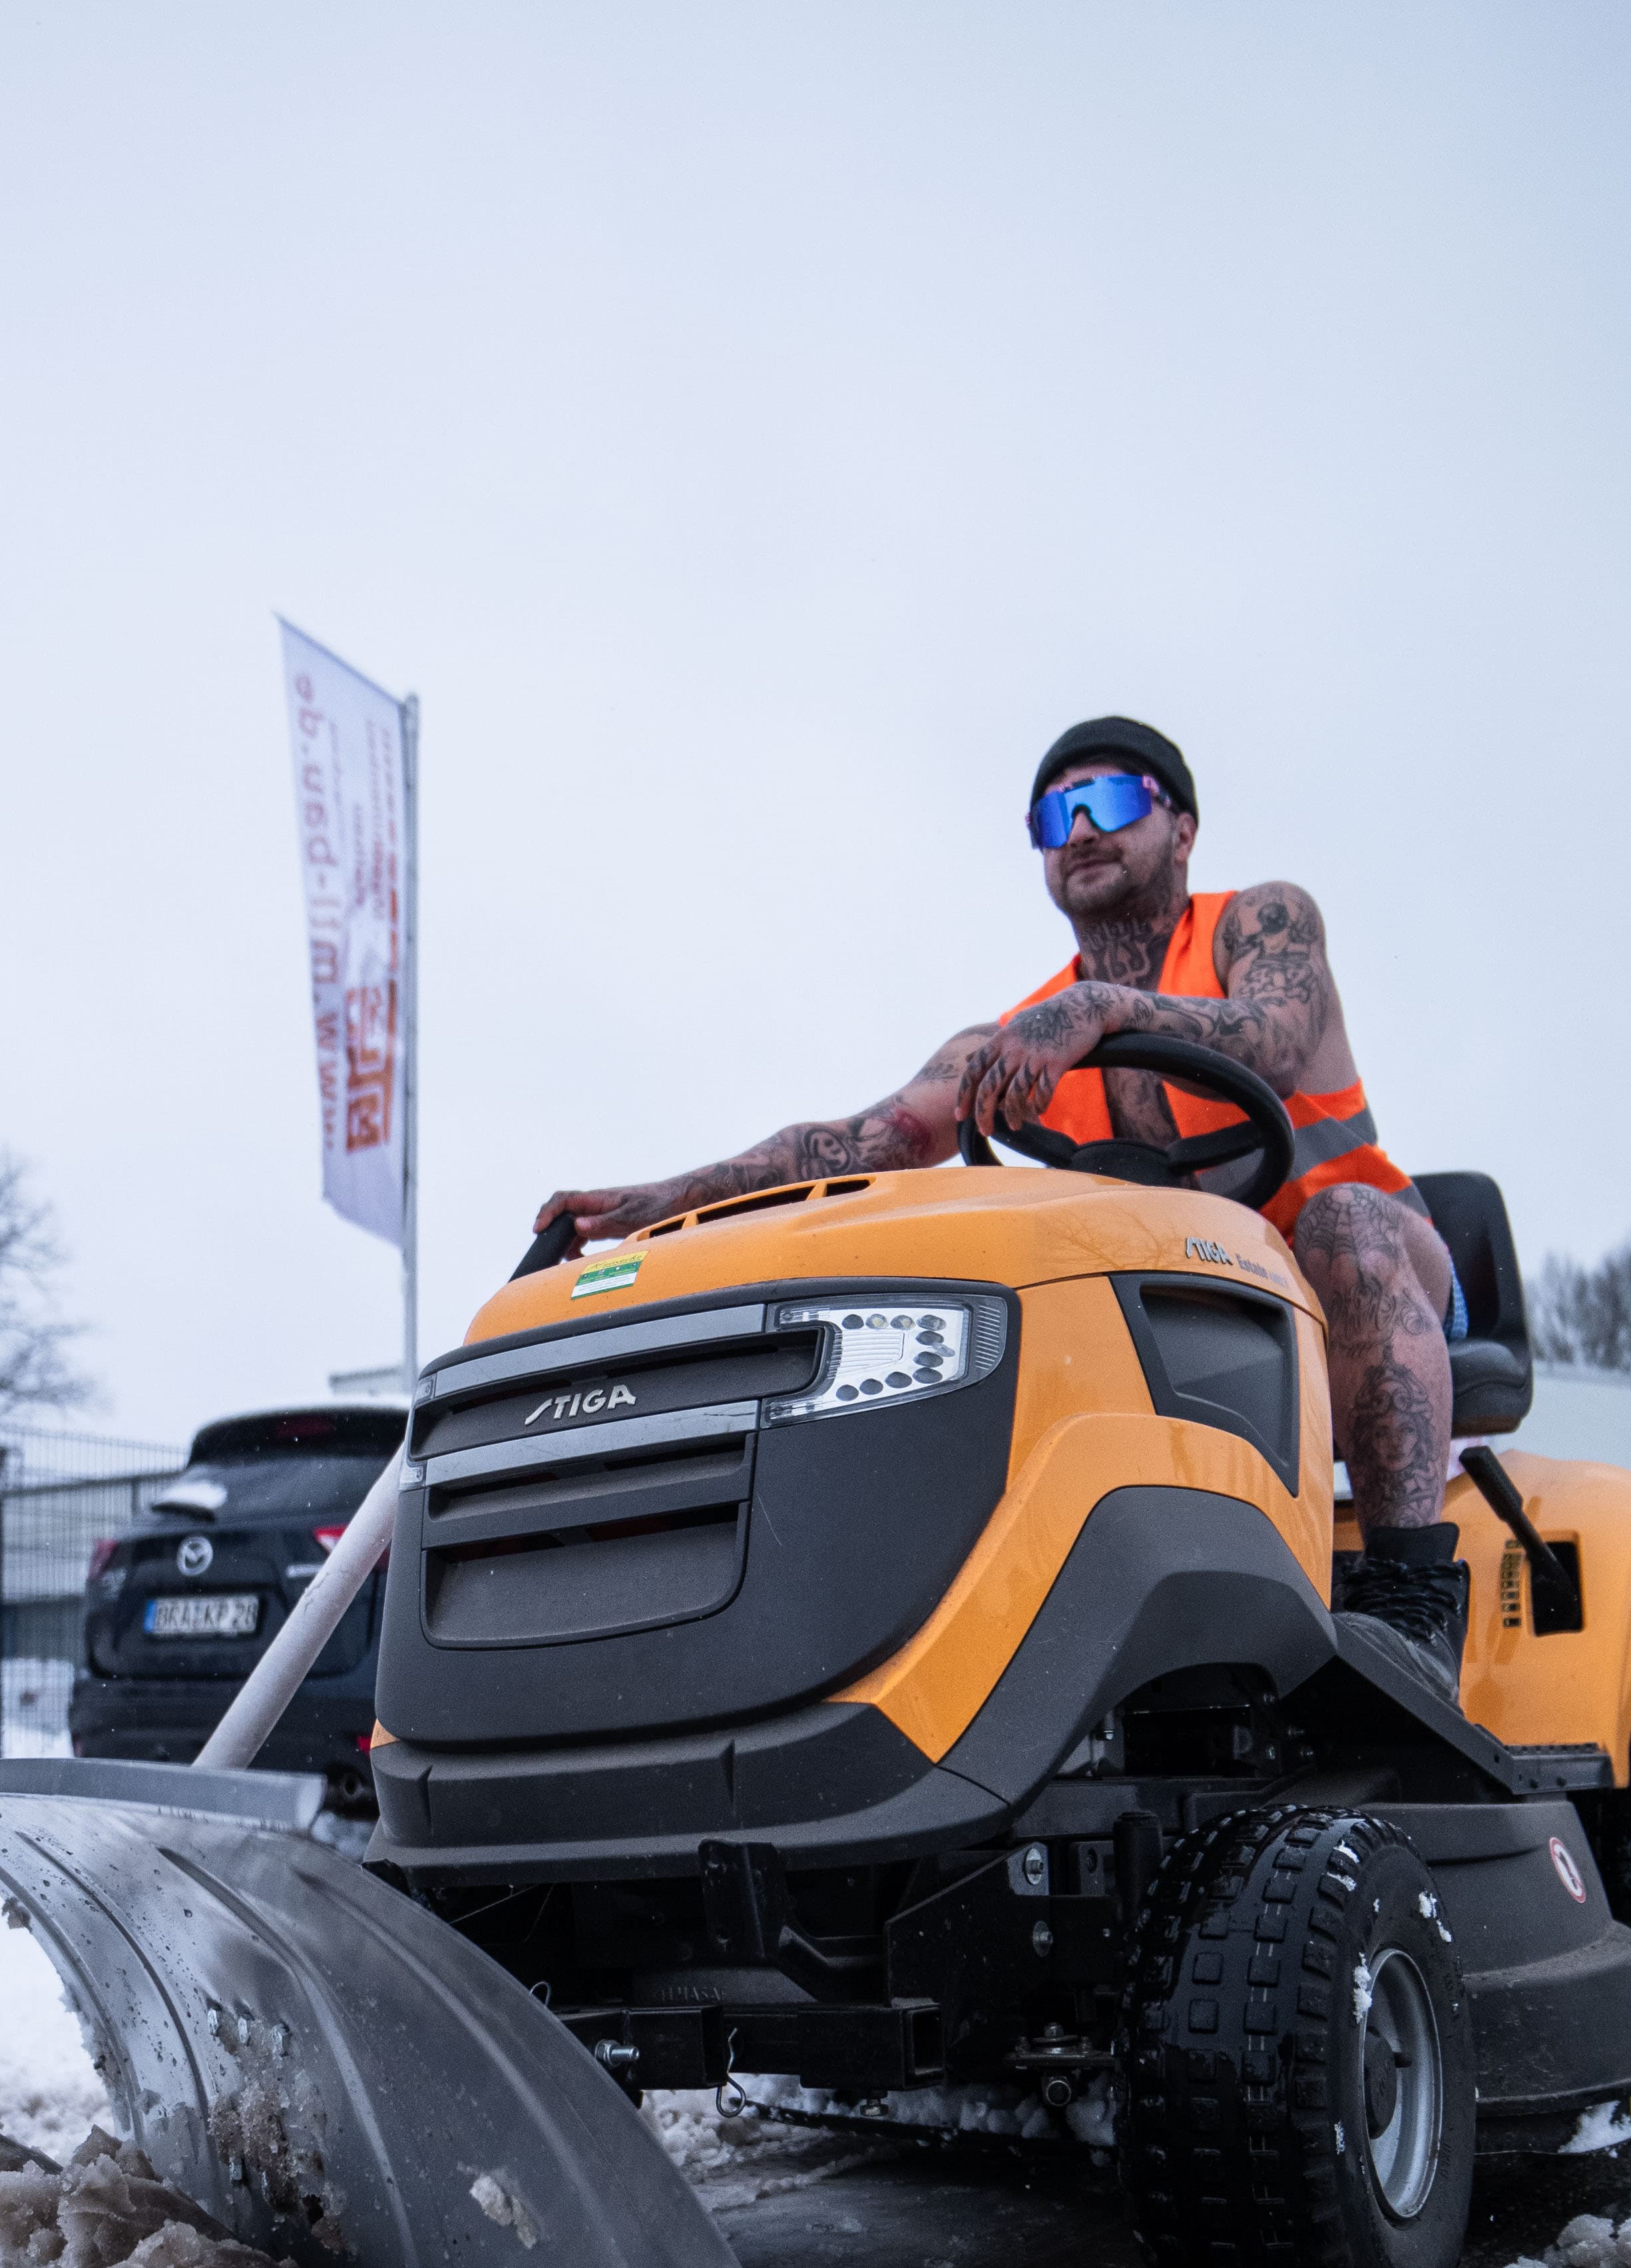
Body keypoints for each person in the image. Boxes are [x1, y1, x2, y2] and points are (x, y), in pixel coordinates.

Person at [535, 715, 1470, 1692]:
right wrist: (668, 1197)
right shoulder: (1019, 1038)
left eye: (1106, 802)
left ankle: (1410, 1605)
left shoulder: (1260, 924)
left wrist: (1102, 1010)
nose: (1079, 831)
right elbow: (865, 1138)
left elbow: (1274, 1036)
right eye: (1052, 816)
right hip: (1209, 1315)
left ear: (1181, 828)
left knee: (1342, 1225)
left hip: (1360, 1287)